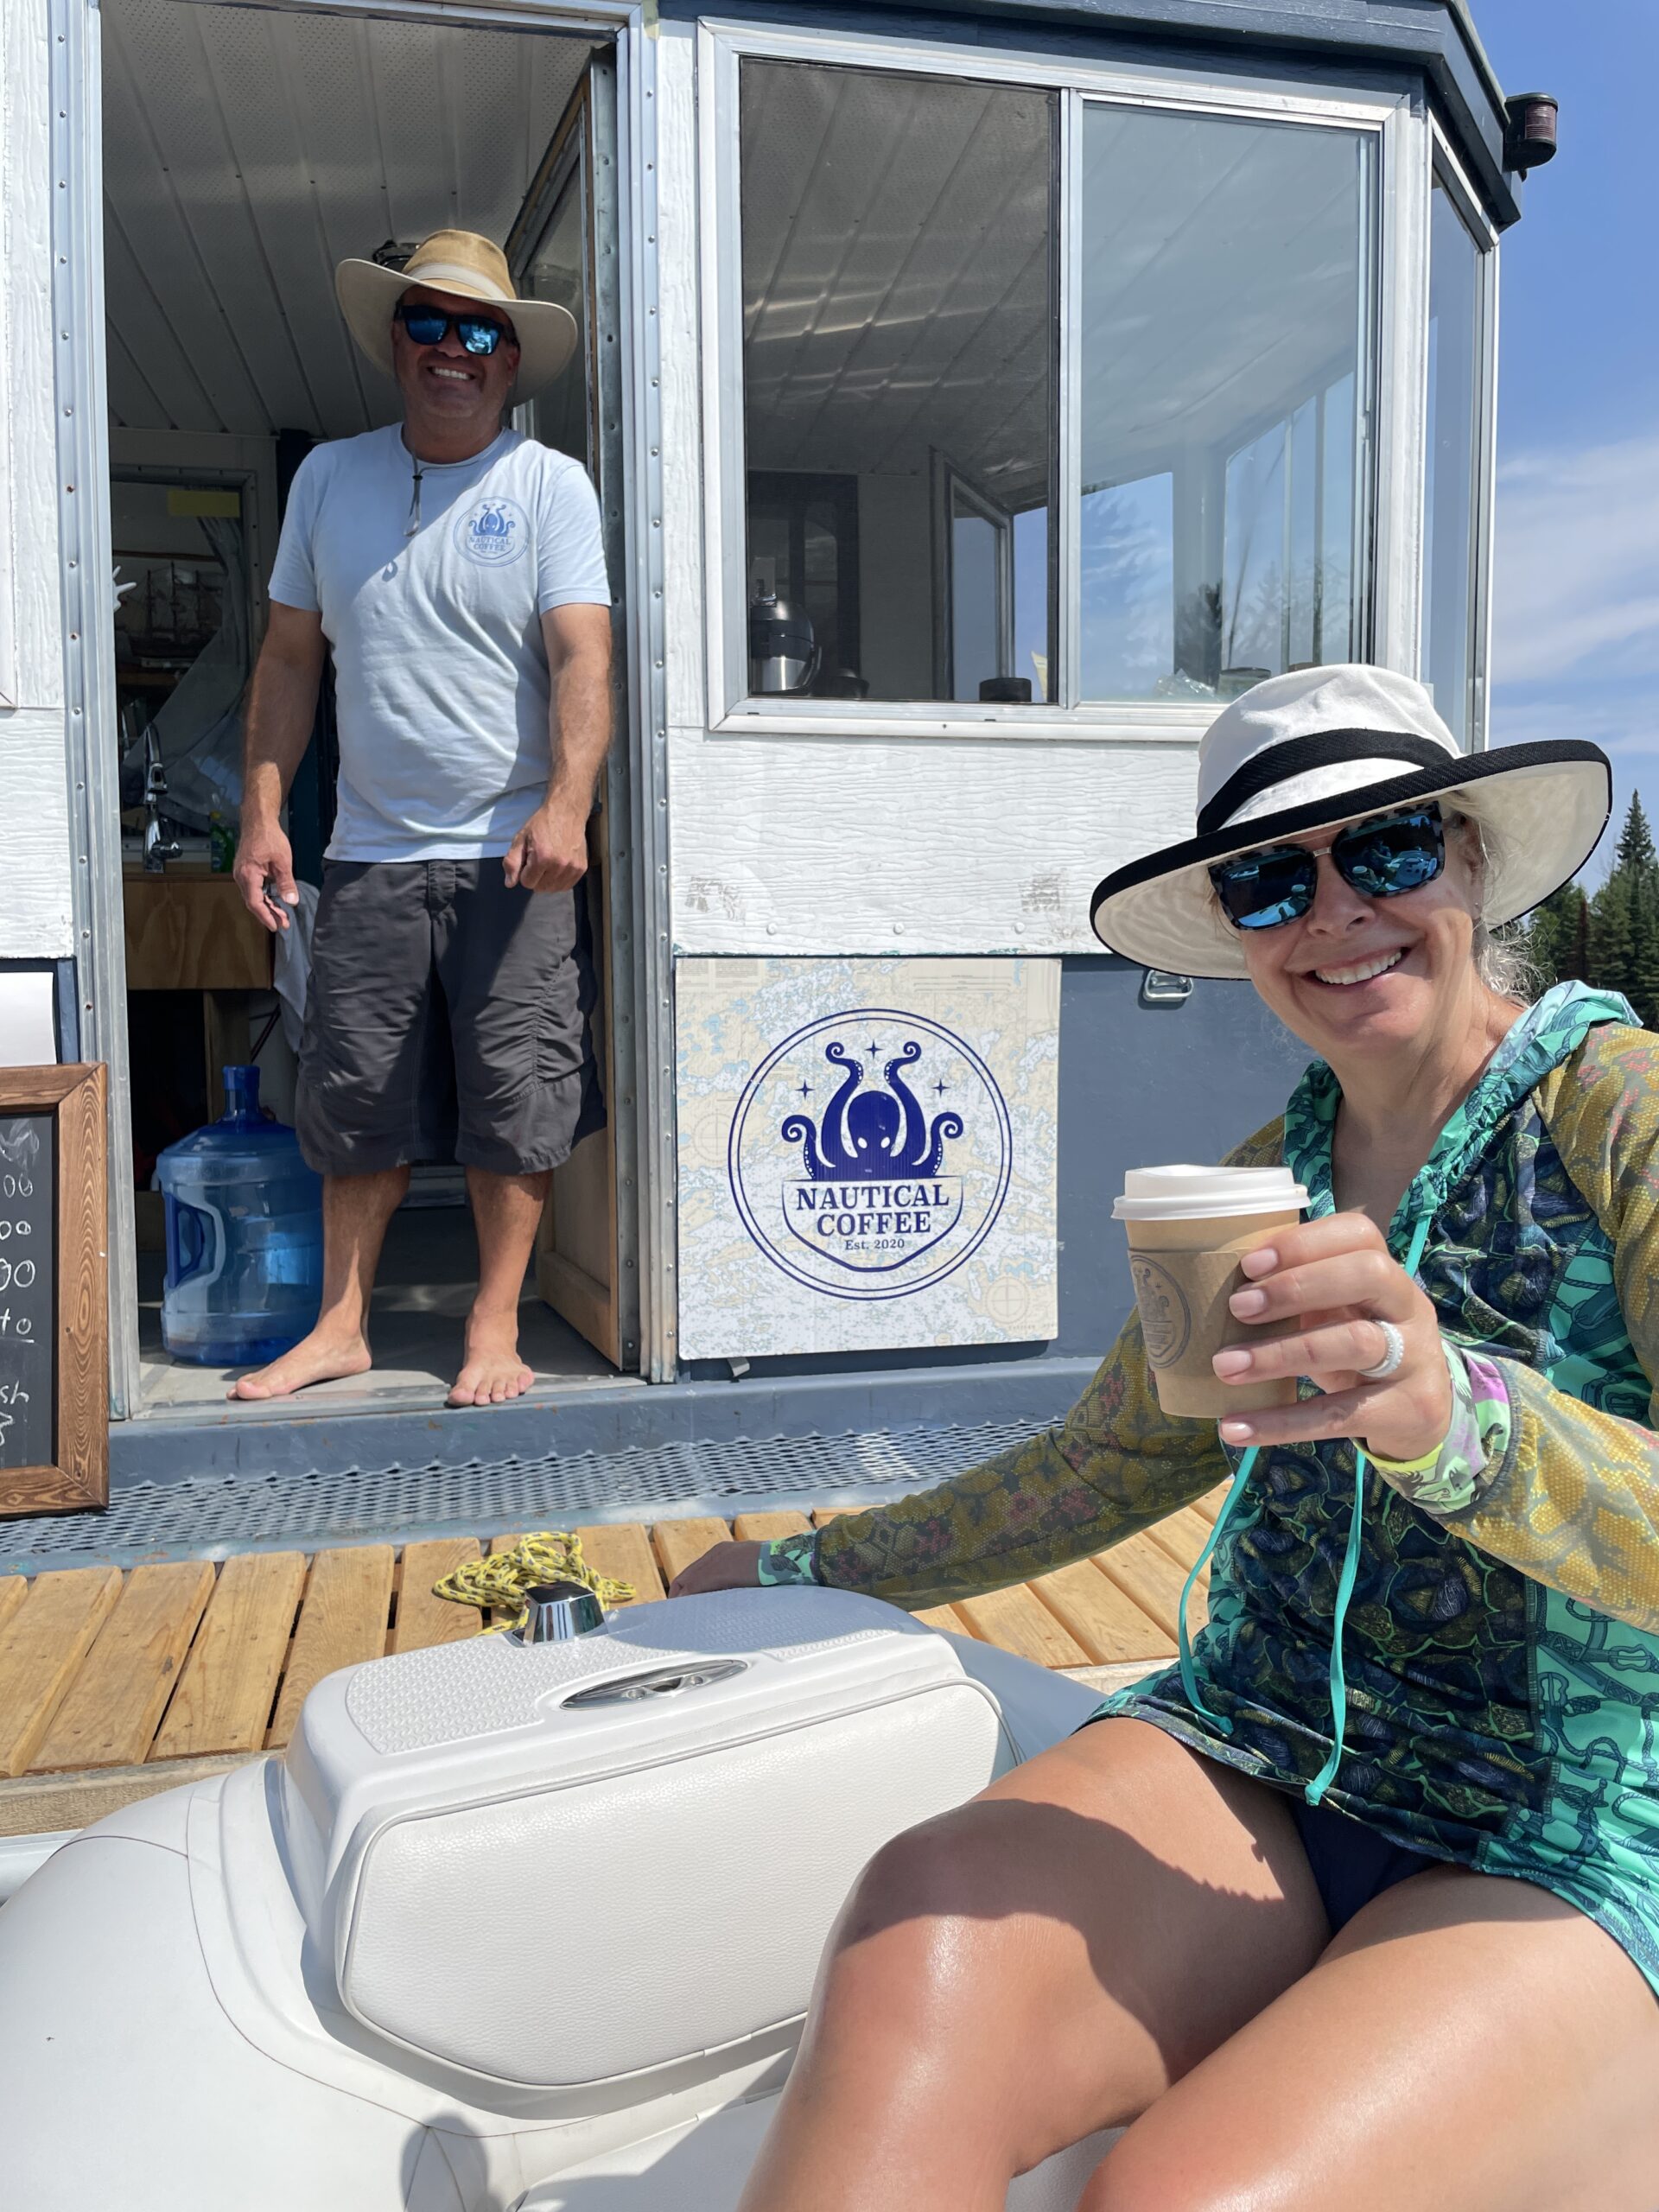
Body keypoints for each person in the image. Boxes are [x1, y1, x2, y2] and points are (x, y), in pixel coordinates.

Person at [673, 665, 1659, 2209]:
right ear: (1238, 930)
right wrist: (802, 1566)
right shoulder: (1274, 1171)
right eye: (1272, 880)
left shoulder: (1621, 1114)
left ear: (1470, 855)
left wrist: (1453, 1416)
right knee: (916, 1927)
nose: (1335, 911)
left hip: (1575, 1821)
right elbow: (1105, 1465)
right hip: (1268, 1744)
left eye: (1387, 847)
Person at [230, 231, 612, 1408]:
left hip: (514, 858)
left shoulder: (548, 485)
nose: (455, 348)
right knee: (351, 1100)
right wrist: (261, 816)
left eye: (481, 329)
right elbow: (289, 658)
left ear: (510, 358)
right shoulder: (326, 479)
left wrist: (568, 806)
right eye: (430, 323)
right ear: (394, 342)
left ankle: (493, 1326)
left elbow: (583, 657)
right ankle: (340, 1328)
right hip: (367, 855)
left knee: (517, 1099)